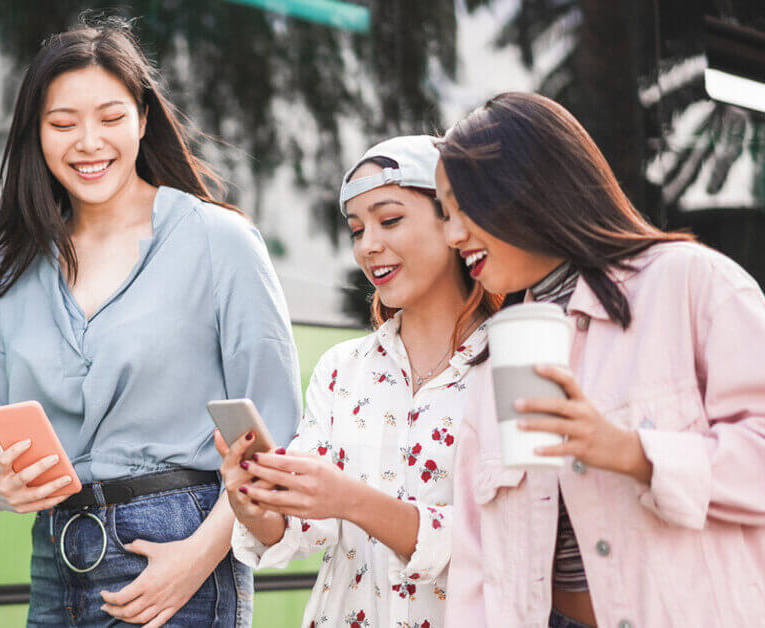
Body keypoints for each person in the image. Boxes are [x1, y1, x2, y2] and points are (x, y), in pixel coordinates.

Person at [0, 17, 301, 628]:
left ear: (143, 119)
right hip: (55, 559)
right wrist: (0, 483)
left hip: (181, 554)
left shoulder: (220, 241)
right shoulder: (14, 264)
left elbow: (275, 436)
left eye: (110, 118)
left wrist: (198, 558)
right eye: (63, 124)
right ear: (36, 133)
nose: (88, 142)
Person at [436, 92, 765, 627]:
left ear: (526, 183)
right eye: (445, 216)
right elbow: (477, 563)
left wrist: (635, 453)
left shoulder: (688, 283)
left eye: (463, 206)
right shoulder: (491, 361)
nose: (453, 235)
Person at [218, 136, 500, 628]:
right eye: (356, 229)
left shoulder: (509, 365)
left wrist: (351, 499)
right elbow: (305, 527)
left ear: (453, 220)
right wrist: (255, 505)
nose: (368, 245)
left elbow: (505, 540)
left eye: (389, 220)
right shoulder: (339, 368)